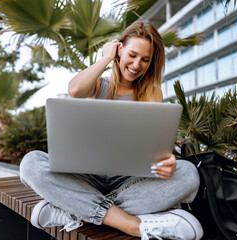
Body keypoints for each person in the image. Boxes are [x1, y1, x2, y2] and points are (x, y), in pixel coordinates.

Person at [20, 21, 203, 240]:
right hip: (86, 176)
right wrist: (105, 58)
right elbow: (75, 90)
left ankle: (75, 209)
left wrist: (167, 163)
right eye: (132, 55)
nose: (137, 65)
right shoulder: (98, 84)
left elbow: (153, 148)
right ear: (119, 50)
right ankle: (132, 224)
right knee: (30, 164)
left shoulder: (152, 94)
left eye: (145, 60)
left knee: (189, 173)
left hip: (127, 181)